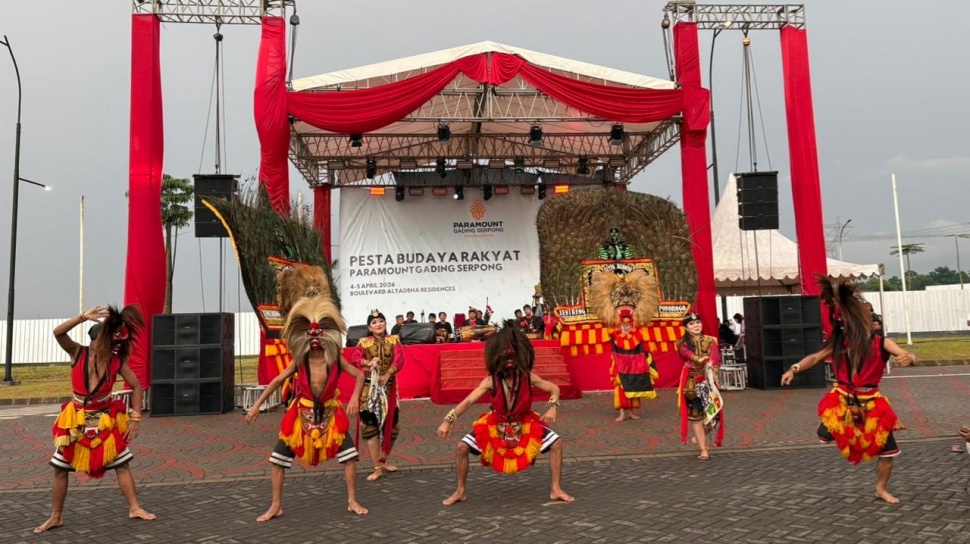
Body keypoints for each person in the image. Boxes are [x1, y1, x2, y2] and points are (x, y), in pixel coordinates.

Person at [781, 276, 916, 504]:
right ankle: (848, 435)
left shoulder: (881, 342)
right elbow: (814, 357)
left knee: (888, 453)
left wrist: (909, 358)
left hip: (872, 403)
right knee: (825, 434)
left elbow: (906, 354)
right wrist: (794, 368)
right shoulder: (839, 343)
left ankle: (881, 489)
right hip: (843, 400)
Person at [35, 305, 155, 534]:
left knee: (122, 465)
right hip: (76, 420)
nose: (112, 342)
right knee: (60, 469)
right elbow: (58, 332)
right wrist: (82, 317)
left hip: (105, 420)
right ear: (96, 339)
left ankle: (135, 508)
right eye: (107, 338)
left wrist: (136, 418)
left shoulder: (116, 361)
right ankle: (56, 516)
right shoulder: (77, 352)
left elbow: (137, 386)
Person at [246, 296, 368, 519]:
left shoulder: (335, 359)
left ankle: (352, 500)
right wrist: (256, 406)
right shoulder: (299, 360)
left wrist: (354, 398)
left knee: (350, 457)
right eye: (310, 336)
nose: (315, 340)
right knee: (277, 460)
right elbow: (277, 380)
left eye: (319, 335)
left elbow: (359, 375)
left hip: (331, 414)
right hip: (300, 415)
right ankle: (276, 505)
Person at [437, 321, 574, 505]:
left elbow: (554, 388)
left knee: (556, 443)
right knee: (462, 447)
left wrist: (552, 406)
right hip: (496, 423)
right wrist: (447, 420)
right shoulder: (490, 381)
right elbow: (468, 401)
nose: (509, 361)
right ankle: (460, 491)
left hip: (524, 422)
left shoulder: (527, 377)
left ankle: (556, 489)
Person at [350, 310, 406, 481]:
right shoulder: (364, 342)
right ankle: (377, 468)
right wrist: (369, 362)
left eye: (381, 321)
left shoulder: (393, 340)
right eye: (374, 323)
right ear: (369, 327)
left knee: (393, 428)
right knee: (370, 428)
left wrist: (387, 374)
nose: (378, 324)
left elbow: (399, 360)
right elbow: (355, 358)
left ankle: (383, 460)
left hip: (389, 390)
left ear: (386, 324)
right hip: (369, 390)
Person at [676, 313, 724, 460]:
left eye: (698, 322)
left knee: (714, 416)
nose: (696, 325)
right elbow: (686, 353)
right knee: (696, 417)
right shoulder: (682, 342)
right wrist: (698, 359)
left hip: (708, 381)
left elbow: (715, 358)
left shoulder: (710, 340)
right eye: (691, 323)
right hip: (692, 383)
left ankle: (699, 436)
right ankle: (703, 449)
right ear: (686, 327)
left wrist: (715, 373)